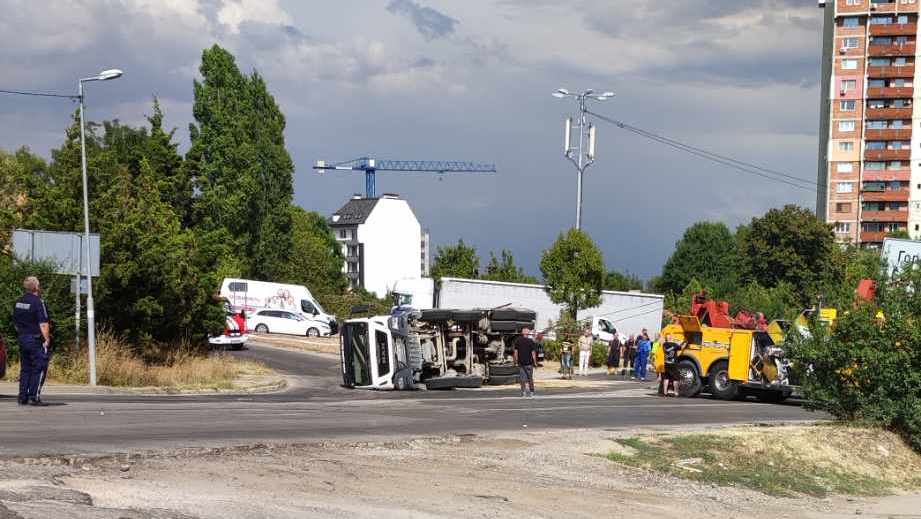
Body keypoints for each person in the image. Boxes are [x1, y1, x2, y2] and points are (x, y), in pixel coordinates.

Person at [12, 276, 51, 406]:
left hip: (22, 338)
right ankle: (34, 396)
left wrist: (23, 333)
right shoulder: (39, 302)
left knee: (25, 368)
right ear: (36, 287)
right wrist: (46, 340)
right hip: (35, 340)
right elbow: (43, 323)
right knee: (40, 367)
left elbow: (15, 323)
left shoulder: (19, 302)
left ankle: (22, 397)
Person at [513, 327, 538, 397]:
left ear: (522, 333)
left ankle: (523, 392)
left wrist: (515, 361)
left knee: (522, 379)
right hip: (529, 363)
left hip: (521, 363)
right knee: (530, 378)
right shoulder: (530, 341)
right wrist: (535, 362)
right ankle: (531, 392)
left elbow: (515, 353)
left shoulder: (518, 341)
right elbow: (533, 353)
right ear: (528, 333)